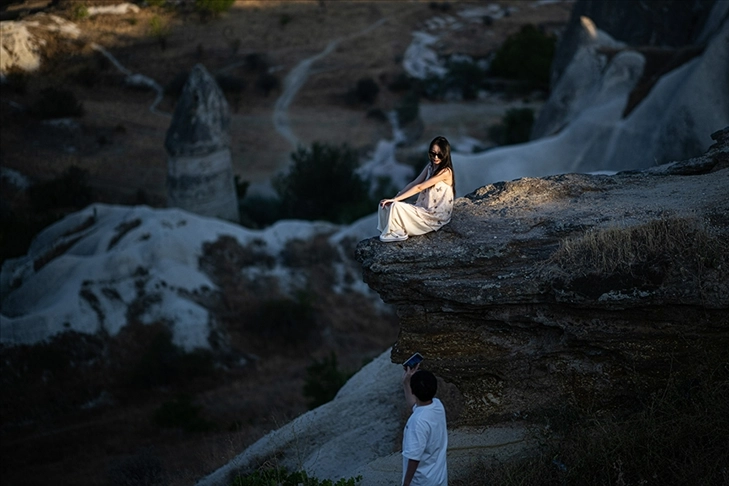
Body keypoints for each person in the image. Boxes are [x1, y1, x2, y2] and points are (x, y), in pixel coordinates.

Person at [378, 136, 455, 242]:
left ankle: (398, 232)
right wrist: (395, 198)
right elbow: (414, 183)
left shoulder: (446, 172)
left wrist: (396, 201)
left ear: (445, 154)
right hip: (423, 208)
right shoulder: (430, 167)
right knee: (385, 205)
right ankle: (391, 229)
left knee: (396, 206)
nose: (435, 157)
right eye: (432, 154)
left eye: (439, 154)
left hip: (435, 216)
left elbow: (419, 187)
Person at [401, 363, 448, 486]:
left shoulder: (417, 422)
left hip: (421, 482)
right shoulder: (437, 406)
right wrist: (406, 382)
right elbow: (415, 406)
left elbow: (414, 458)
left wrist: (406, 484)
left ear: (413, 391)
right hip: (439, 479)